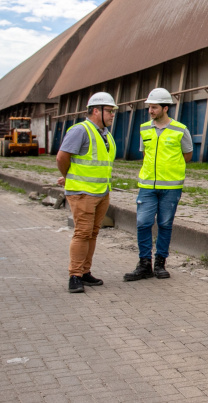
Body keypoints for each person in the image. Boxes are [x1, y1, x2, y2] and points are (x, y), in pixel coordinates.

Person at [123, 88, 193, 281]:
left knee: (165, 224)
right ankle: (144, 263)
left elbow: (187, 155)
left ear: (165, 107)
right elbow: (144, 153)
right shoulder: (144, 128)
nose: (150, 111)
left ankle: (160, 263)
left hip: (171, 187)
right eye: (149, 107)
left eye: (154, 107)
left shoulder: (180, 129)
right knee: (143, 223)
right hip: (147, 186)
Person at [56, 92, 118, 294]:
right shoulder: (80, 131)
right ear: (96, 111)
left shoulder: (105, 134)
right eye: (109, 111)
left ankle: (85, 272)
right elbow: (62, 157)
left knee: (92, 233)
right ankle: (74, 275)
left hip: (101, 192)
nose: (112, 115)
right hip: (83, 193)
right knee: (82, 233)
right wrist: (69, 176)